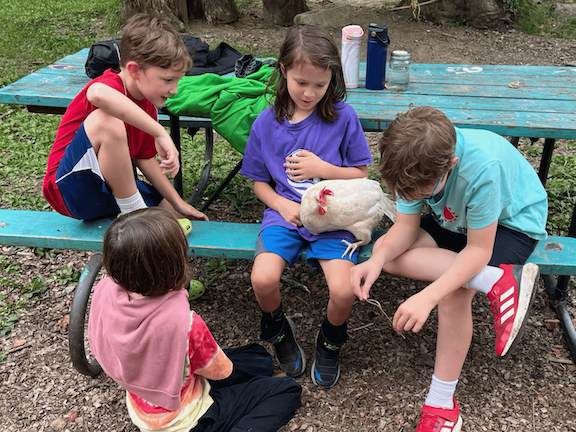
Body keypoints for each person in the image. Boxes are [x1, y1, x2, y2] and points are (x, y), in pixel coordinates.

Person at [350, 106, 547, 431]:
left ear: (451, 165)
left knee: (452, 293)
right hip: (458, 223)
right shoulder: (414, 163)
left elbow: (479, 249)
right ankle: (497, 281)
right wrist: (376, 260)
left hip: (510, 226)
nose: (409, 197)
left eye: (418, 193)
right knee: (391, 255)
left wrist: (426, 297)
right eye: (404, 192)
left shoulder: (482, 168)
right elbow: (405, 228)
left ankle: (441, 405)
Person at [240, 24, 373, 389]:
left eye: (320, 84)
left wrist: (323, 170)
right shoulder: (267, 123)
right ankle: (278, 329)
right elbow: (258, 183)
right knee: (263, 278)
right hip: (284, 215)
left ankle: (331, 339)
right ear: (283, 71)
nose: (310, 92)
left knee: (343, 291)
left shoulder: (342, 117)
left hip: (333, 219)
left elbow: (361, 172)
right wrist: (281, 205)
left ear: (333, 77)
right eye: (301, 82)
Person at [88, 207, 301, 432]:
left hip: (143, 400)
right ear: (175, 263)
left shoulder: (105, 289)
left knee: (259, 358)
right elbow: (221, 372)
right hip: (186, 417)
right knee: (286, 389)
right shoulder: (185, 323)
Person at [42, 14, 207, 222]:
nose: (174, 90)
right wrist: (159, 132)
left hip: (110, 190)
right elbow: (96, 94)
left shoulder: (146, 102)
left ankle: (136, 218)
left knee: (177, 217)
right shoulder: (109, 86)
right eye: (167, 80)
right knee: (106, 121)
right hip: (69, 189)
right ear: (134, 70)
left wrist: (178, 202)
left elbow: (145, 158)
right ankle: (134, 216)